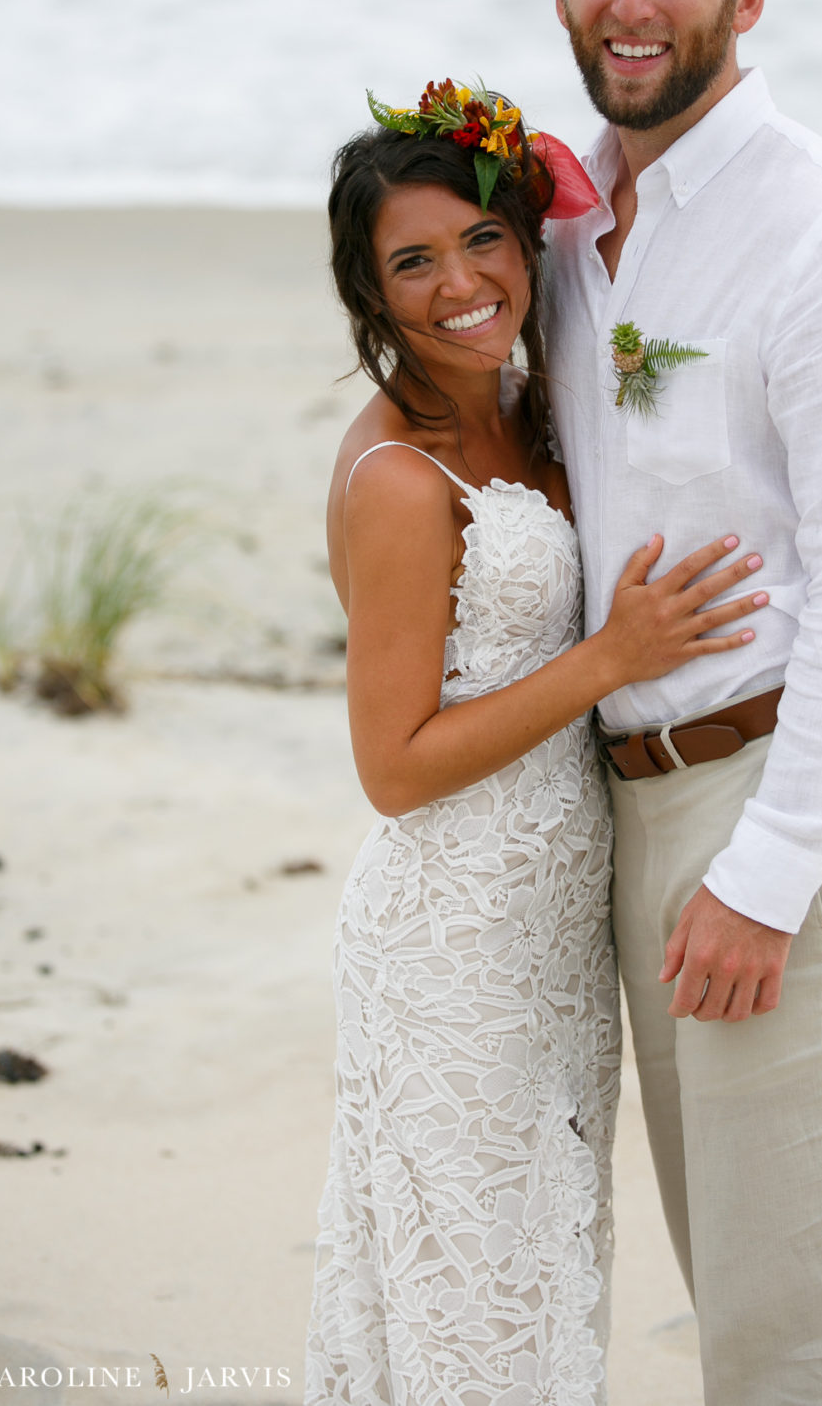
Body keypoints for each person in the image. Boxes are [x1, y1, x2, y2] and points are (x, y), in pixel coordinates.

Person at [546, 0, 822, 1406]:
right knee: (728, 1289)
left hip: (779, 806)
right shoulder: (576, 227)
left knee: (796, 1339)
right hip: (629, 811)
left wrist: (770, 877)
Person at [303, 79, 770, 1406]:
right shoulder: (401, 479)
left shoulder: (532, 408)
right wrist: (607, 661)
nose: (458, 280)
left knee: (542, 1270)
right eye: (412, 260)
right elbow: (392, 767)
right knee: (472, 1299)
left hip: (556, 929)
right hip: (453, 942)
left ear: (526, 240)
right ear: (369, 291)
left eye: (482, 239)